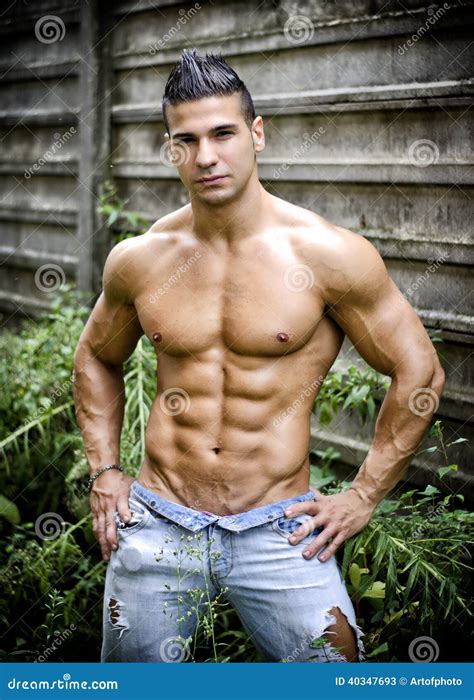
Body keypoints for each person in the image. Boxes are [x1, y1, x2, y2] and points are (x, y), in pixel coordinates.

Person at [73, 48, 445, 663]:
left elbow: (419, 371)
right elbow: (94, 357)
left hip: (281, 530)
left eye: (222, 133)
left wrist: (361, 495)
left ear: (257, 134)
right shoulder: (141, 258)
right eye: (185, 140)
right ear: (171, 149)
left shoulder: (328, 256)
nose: (206, 157)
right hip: (159, 520)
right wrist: (105, 469)